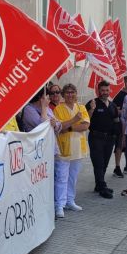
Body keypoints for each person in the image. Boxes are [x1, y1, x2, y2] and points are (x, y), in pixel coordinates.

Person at [53, 83, 90, 218]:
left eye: (72, 92)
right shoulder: (58, 108)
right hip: (64, 148)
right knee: (62, 177)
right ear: (63, 95)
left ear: (76, 93)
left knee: (73, 177)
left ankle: (70, 200)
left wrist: (69, 126)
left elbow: (85, 126)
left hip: (78, 148)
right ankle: (59, 205)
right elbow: (59, 127)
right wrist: (74, 120)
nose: (70, 95)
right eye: (67, 92)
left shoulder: (81, 107)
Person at [85, 80, 120, 199]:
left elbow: (116, 121)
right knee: (98, 163)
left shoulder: (112, 105)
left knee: (104, 163)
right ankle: (102, 186)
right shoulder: (92, 103)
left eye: (107, 90)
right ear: (98, 91)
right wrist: (92, 110)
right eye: (102, 90)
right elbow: (85, 120)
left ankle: (98, 184)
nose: (105, 92)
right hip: (96, 137)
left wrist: (117, 136)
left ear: (110, 90)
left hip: (109, 139)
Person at [111, 76, 127, 177]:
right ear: (125, 82)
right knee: (119, 145)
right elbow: (114, 110)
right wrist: (124, 111)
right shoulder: (119, 95)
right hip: (120, 124)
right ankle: (117, 167)